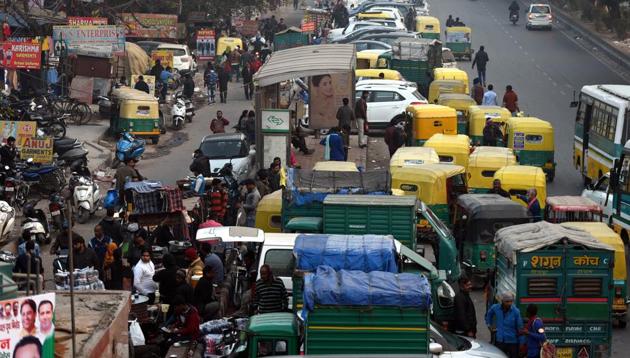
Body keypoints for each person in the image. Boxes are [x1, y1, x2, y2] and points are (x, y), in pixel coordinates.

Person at [485, 292, 523, 358]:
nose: (509, 303)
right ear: (502, 301)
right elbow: (488, 315)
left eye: (511, 301)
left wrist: (522, 343)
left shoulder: (516, 312)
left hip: (512, 342)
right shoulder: (495, 308)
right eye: (507, 301)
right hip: (500, 341)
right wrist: (489, 325)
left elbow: (520, 328)